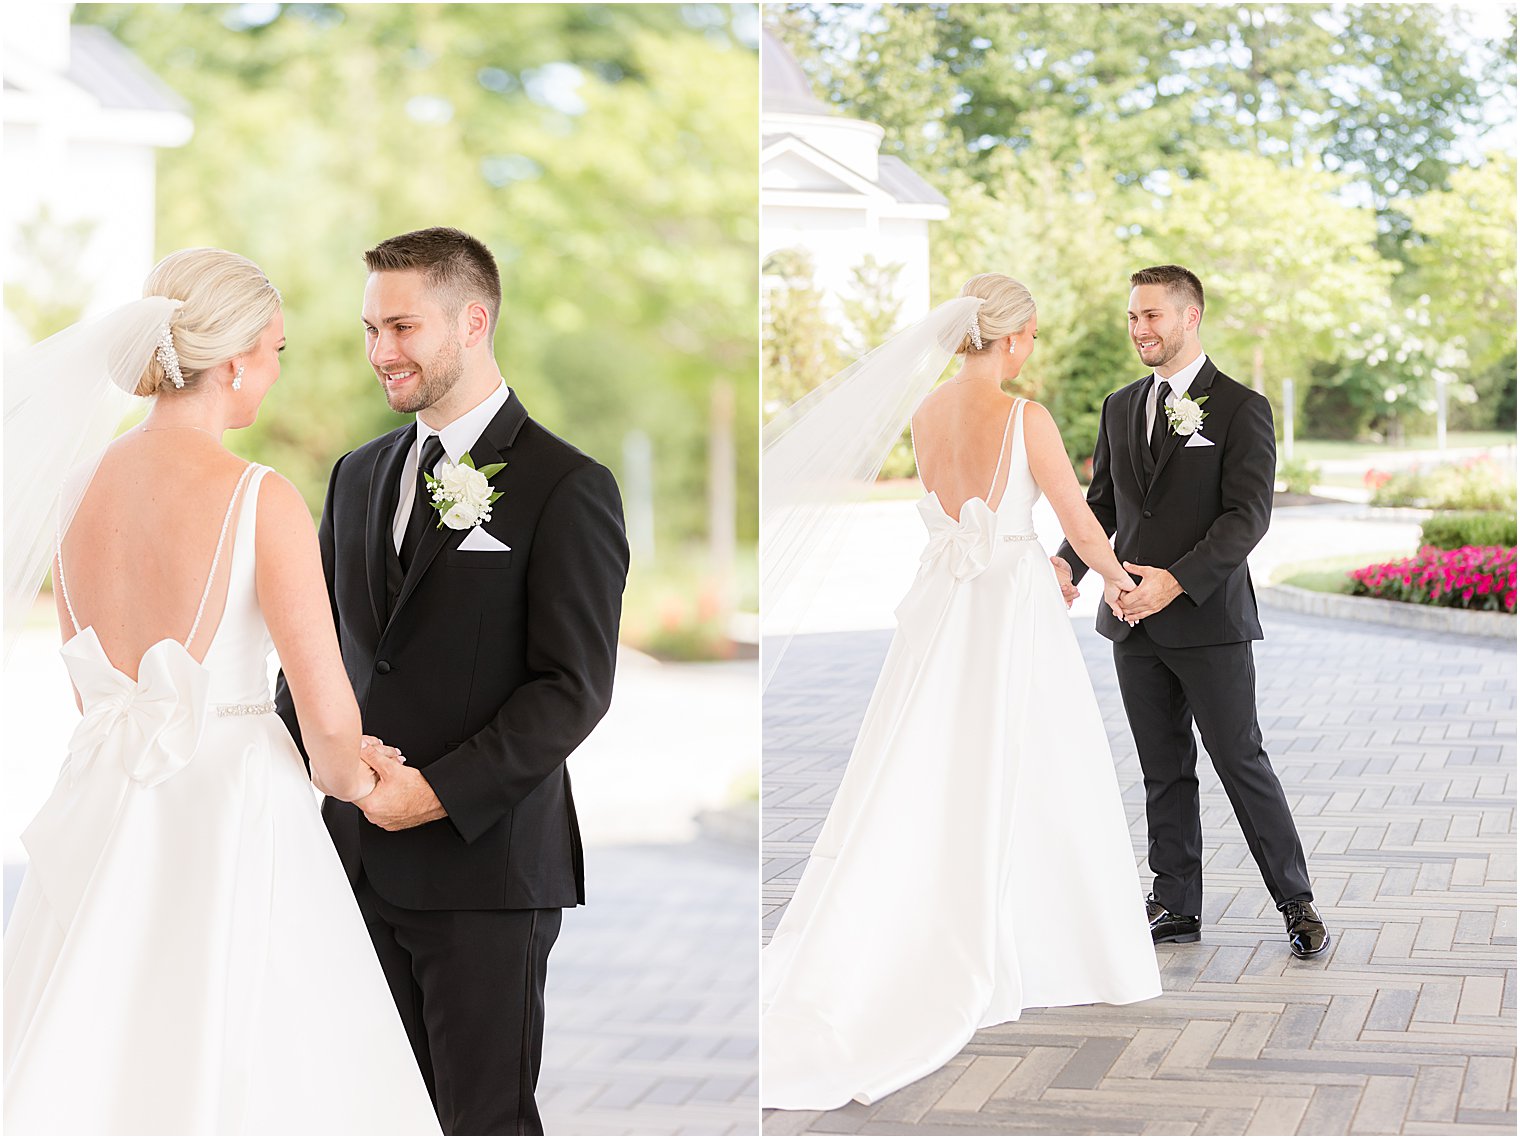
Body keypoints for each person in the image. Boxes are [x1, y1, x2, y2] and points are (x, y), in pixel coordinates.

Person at [2, 249, 441, 1134]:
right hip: (236, 816)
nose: (275, 372)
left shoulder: (75, 492)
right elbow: (327, 724)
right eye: (276, 350)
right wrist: (369, 778)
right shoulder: (258, 497)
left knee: (100, 1050)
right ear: (235, 359)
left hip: (107, 808)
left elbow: (101, 700)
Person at [760, 273, 1162, 1111]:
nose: (1033, 349)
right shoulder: (1026, 415)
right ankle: (1055, 941)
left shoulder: (923, 414)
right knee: (1038, 758)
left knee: (934, 759)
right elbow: (1078, 521)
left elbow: (953, 506)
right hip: (1009, 604)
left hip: (945, 606)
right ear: (1011, 339)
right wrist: (1119, 579)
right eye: (1034, 336)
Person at [274, 227, 629, 1136]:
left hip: (487, 870)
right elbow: (318, 655)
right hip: (352, 862)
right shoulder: (356, 477)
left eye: (401, 327)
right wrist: (327, 776)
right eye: (369, 329)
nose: (380, 352)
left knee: (485, 1119)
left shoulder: (566, 486)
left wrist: (431, 793)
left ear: (472, 321)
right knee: (373, 1113)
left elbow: (572, 687)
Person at [1052, 264, 1329, 959]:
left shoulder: (1241, 407)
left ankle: (1297, 902)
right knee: (1161, 765)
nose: (1141, 329)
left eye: (1153, 316)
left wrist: (1173, 582)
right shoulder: (1119, 406)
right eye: (1133, 317)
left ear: (1190, 317)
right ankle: (1173, 900)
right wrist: (1070, 562)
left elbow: (1247, 518)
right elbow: (1107, 504)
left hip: (1207, 618)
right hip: (1131, 620)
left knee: (1241, 758)